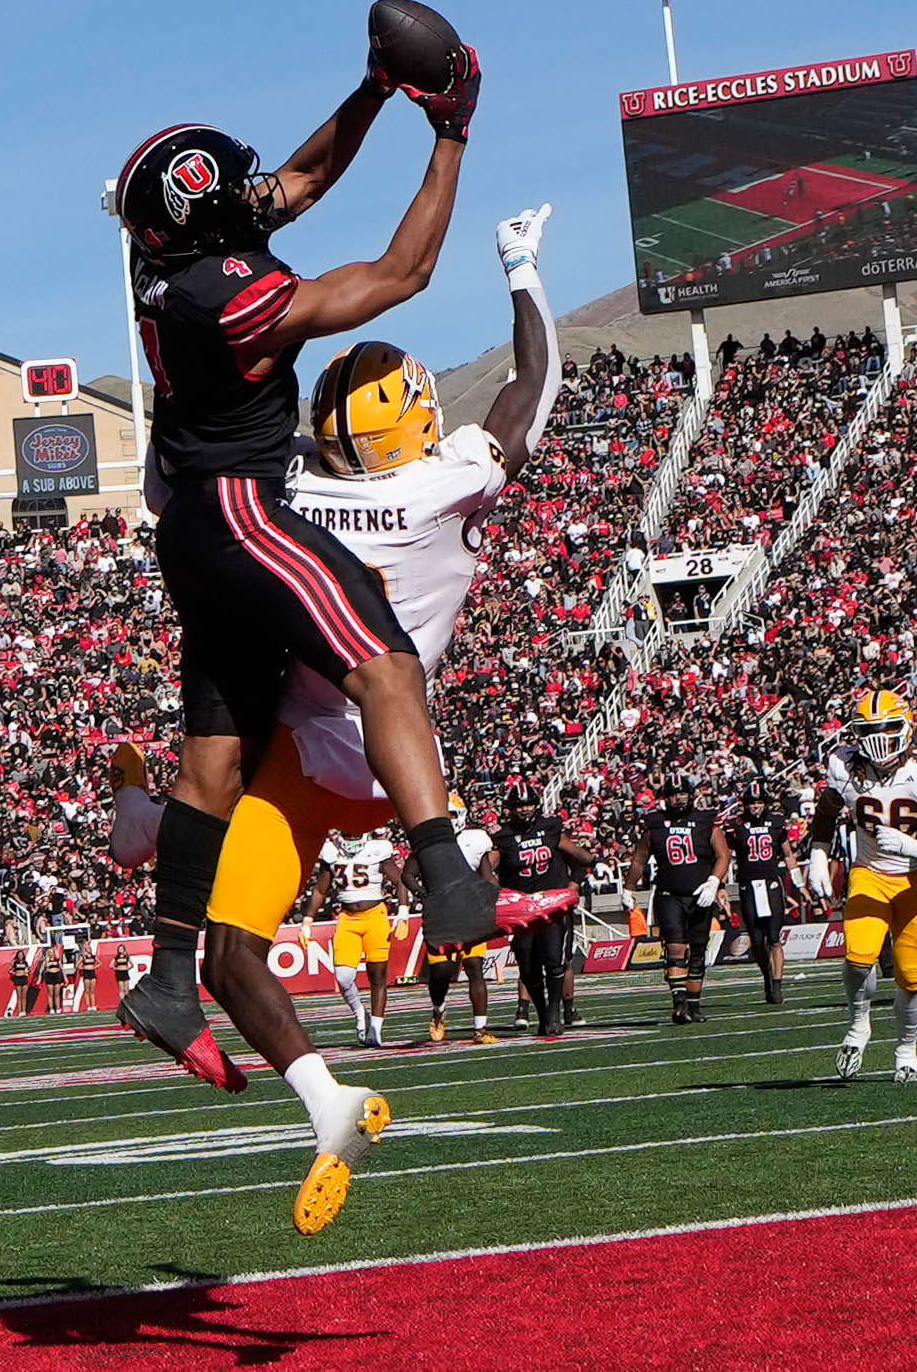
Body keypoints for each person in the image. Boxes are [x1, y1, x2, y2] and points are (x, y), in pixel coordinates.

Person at [109, 204, 575, 1234]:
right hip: (401, 770)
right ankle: (343, 1092)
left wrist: (179, 364)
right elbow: (530, 388)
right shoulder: (450, 480)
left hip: (299, 767)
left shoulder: (286, 489)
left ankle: (159, 851)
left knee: (230, 946)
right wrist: (521, 268)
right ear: (413, 411)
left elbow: (173, 482)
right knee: (380, 683)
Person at [113, 35, 500, 1089]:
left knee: (214, 767)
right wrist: (451, 133)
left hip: (195, 522)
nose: (259, 188)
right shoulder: (223, 297)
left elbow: (304, 176)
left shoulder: (177, 266)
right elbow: (401, 272)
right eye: (235, 190)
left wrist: (375, 91)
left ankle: (169, 973)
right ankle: (447, 873)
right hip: (244, 511)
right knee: (384, 665)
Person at [808, 690, 917, 1083]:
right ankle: (859, 1024)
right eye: (870, 729)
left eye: (888, 727)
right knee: (858, 955)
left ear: (907, 726)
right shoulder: (844, 766)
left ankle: (907, 1047)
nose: (879, 737)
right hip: (869, 873)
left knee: (911, 976)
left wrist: (911, 846)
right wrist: (819, 854)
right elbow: (826, 812)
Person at [632, 778, 730, 1024]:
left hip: (700, 894)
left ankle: (694, 1005)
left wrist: (714, 882)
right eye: (673, 794)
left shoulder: (706, 821)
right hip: (669, 894)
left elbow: (723, 855)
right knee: (675, 948)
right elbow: (639, 859)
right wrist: (628, 887)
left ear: (691, 795)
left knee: (697, 950)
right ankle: (679, 1004)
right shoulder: (655, 824)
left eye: (682, 793)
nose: (678, 798)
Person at [496, 788, 592, 1039]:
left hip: (552, 909)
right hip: (523, 912)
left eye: (528, 804)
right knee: (528, 967)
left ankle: (553, 1013)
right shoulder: (503, 837)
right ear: (511, 809)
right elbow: (486, 870)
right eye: (519, 806)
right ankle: (541, 1013)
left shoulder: (550, 828)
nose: (524, 810)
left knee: (554, 961)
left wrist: (574, 884)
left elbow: (584, 857)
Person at [408, 791, 499, 1045]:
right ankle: (438, 1009)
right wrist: (426, 896)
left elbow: (487, 875)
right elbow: (408, 874)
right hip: (441, 916)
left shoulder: (476, 839)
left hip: (471, 912)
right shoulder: (430, 842)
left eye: (453, 814)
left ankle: (480, 1028)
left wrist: (495, 900)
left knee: (475, 969)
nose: (450, 819)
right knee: (440, 972)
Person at [298, 827, 400, 1048]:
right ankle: (359, 1013)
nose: (352, 837)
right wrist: (307, 920)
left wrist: (403, 910)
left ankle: (376, 1029)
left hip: (375, 916)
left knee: (378, 975)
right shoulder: (331, 851)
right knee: (344, 977)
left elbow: (399, 880)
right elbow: (321, 889)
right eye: (348, 832)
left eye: (355, 833)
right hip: (347, 918)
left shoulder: (378, 848)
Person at [730, 780, 803, 1003]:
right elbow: (725, 855)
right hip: (748, 885)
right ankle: (767, 977)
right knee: (757, 939)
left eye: (760, 802)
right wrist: (720, 886)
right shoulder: (737, 826)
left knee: (774, 937)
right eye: (752, 803)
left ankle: (778, 985)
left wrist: (799, 883)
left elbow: (788, 853)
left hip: (771, 883)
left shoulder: (776, 823)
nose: (756, 807)